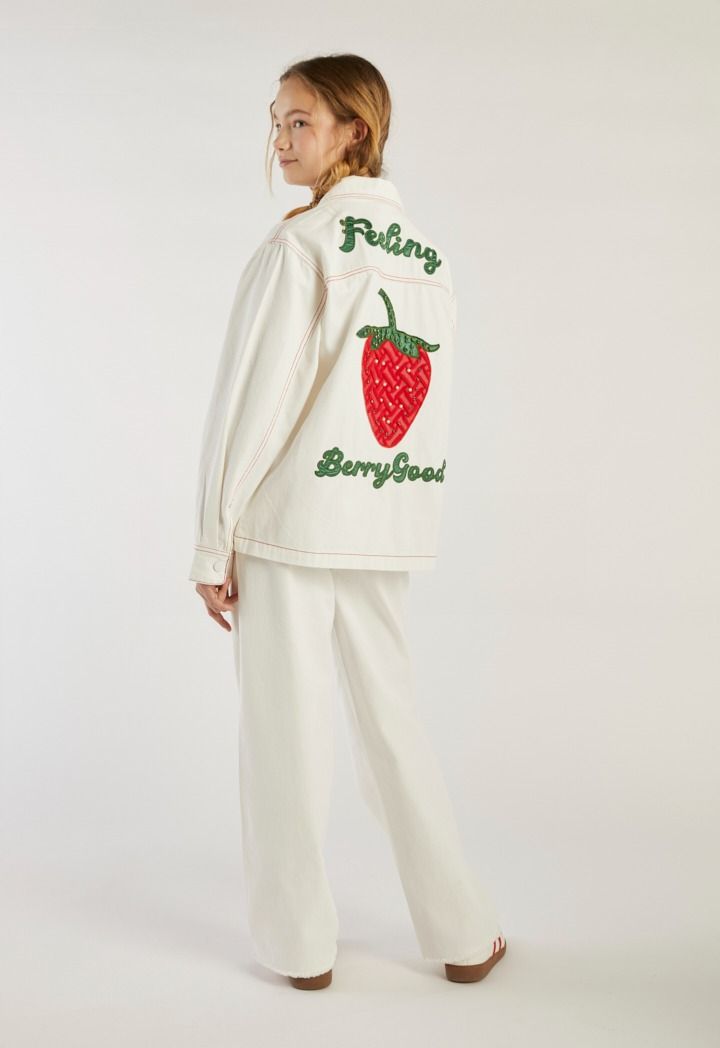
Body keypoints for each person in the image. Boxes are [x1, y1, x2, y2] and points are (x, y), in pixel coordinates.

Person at [188, 53, 507, 990]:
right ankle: (463, 932)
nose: (281, 139)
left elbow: (252, 404)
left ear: (353, 130)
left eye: (300, 121)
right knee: (392, 725)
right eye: (276, 121)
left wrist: (213, 538)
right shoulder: (427, 257)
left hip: (291, 526)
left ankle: (301, 950)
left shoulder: (303, 246)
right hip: (381, 521)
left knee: (284, 734)